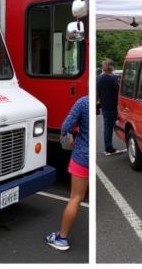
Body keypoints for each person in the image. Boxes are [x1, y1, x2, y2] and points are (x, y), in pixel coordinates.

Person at [46, 93, 89, 251]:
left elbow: (65, 126)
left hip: (82, 156)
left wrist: (69, 135)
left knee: (76, 198)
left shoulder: (83, 102)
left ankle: (61, 238)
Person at [96, 60, 120, 155]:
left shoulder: (98, 79)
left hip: (105, 106)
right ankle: (109, 147)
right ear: (112, 67)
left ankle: (108, 147)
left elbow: (97, 93)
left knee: (107, 127)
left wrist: (96, 106)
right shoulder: (115, 78)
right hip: (116, 106)